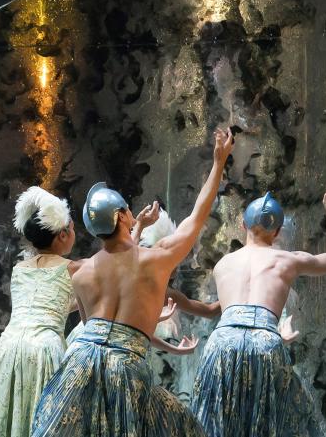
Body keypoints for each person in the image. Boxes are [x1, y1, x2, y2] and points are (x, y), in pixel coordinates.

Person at [30, 128, 234, 437]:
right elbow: (196, 217)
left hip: (79, 363)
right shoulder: (157, 258)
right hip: (124, 369)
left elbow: (91, 325)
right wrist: (218, 163)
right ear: (125, 217)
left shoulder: (81, 271)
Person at [191, 185, 326, 437]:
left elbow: (216, 309)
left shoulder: (223, 264)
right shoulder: (287, 259)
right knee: (269, 422)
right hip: (265, 343)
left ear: (243, 225)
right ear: (276, 232)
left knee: (215, 422)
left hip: (223, 341)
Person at [0, 187, 77, 437]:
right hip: (44, 351)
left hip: (8, 347)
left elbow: (51, 302)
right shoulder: (75, 268)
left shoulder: (21, 269)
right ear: (63, 234)